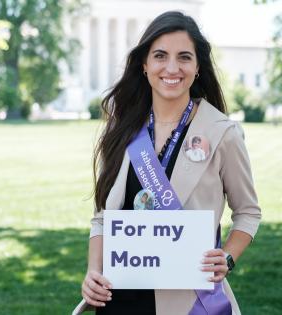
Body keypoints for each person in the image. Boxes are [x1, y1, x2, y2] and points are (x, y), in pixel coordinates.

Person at [73, 11, 261, 315]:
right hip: (117, 299)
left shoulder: (221, 133)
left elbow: (248, 212)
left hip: (186, 302)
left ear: (198, 67)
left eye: (184, 57)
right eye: (160, 56)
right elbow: (102, 218)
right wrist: (93, 271)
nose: (172, 68)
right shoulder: (122, 129)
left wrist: (227, 257)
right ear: (144, 65)